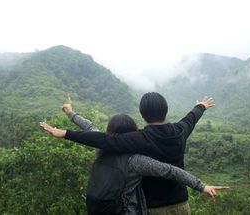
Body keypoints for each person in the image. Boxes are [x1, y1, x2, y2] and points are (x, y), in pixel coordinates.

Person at [41, 92, 225, 214]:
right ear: (166, 111)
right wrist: (201, 106)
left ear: (142, 115)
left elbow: (102, 138)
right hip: (181, 204)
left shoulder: (137, 140)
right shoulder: (180, 130)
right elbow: (191, 118)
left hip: (153, 208)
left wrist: (66, 132)